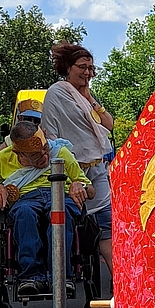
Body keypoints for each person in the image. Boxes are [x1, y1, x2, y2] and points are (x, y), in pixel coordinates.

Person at [0, 121, 92, 298]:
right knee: (25, 213)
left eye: (45, 148)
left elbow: (90, 190)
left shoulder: (61, 153)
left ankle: (61, 275)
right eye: (35, 154)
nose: (44, 155)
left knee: (59, 211)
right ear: (18, 152)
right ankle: (31, 276)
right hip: (26, 199)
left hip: (59, 194)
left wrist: (79, 185)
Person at [42, 42, 115, 273]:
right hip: (72, 172)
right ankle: (63, 273)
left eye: (91, 68)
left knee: (108, 224)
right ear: (68, 67)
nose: (87, 72)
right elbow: (51, 134)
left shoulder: (86, 97)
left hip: (97, 167)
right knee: (70, 222)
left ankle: (119, 283)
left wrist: (90, 98)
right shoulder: (57, 92)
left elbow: (109, 125)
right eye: (82, 67)